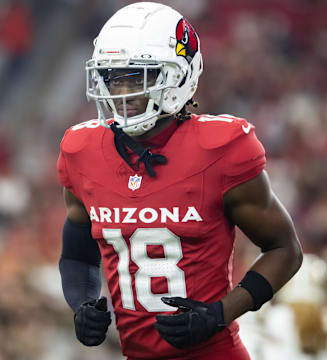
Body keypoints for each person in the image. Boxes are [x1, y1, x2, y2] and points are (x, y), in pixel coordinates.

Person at [57, 2, 303, 359]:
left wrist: (221, 313)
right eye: (113, 77)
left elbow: (285, 249)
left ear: (177, 76)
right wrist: (81, 304)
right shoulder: (82, 151)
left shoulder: (221, 148)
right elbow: (78, 257)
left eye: (138, 77)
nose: (122, 93)